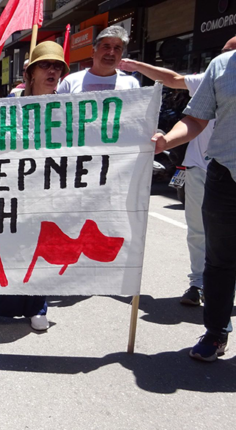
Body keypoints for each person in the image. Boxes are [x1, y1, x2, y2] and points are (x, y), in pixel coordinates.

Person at [119, 35, 236, 307]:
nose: (226, 57)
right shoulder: (215, 73)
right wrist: (136, 65)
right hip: (203, 168)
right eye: (224, 52)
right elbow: (174, 83)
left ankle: (220, 289)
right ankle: (199, 284)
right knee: (199, 231)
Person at [152, 43, 236, 363]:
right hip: (225, 177)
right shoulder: (222, 66)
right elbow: (196, 119)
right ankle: (215, 333)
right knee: (218, 260)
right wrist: (166, 141)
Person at [0, 41, 69, 333]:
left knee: (41, 248)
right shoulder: (12, 103)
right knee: (12, 249)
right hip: (13, 190)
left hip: (49, 190)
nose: (52, 71)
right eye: (46, 65)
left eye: (57, 67)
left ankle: (37, 307)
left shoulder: (69, 106)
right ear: (30, 73)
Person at [57, 26, 139, 94]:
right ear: (93, 52)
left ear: (121, 55)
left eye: (117, 48)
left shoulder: (131, 84)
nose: (111, 53)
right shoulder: (70, 82)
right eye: (106, 47)